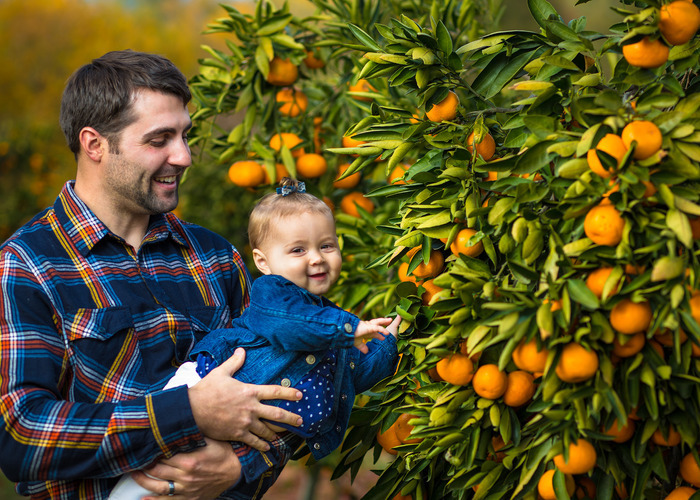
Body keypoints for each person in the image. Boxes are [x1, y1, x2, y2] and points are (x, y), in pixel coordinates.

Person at [0, 50, 304, 500]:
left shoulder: (216, 258)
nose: (183, 156)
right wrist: (187, 414)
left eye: (185, 135)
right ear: (95, 144)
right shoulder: (29, 264)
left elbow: (285, 382)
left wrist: (240, 468)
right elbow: (22, 435)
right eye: (159, 139)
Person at [109, 178, 401, 499]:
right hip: (202, 386)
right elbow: (291, 326)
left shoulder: (326, 320)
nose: (316, 257)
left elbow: (355, 374)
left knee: (188, 479)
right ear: (263, 262)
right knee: (150, 474)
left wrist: (389, 343)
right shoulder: (273, 297)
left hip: (237, 431)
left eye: (326, 245)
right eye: (298, 249)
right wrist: (349, 328)